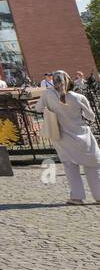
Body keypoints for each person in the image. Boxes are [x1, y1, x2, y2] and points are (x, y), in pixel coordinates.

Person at [39, 70, 100, 205]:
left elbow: (38, 108)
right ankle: (99, 196)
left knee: (70, 167)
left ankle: (77, 197)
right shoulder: (78, 97)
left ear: (53, 82)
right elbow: (91, 117)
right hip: (82, 135)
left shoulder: (47, 95)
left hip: (61, 136)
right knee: (93, 165)